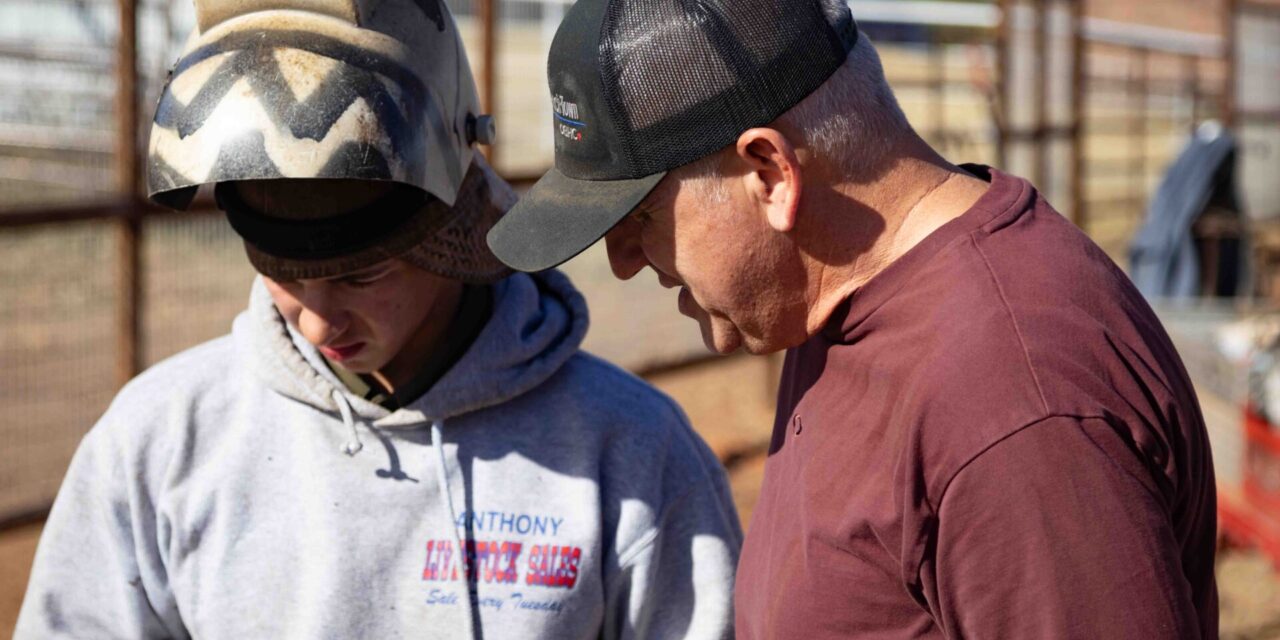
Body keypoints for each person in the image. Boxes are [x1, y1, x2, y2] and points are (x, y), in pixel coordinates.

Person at [485, 0, 1219, 637]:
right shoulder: (836, 299)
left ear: (770, 174)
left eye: (641, 215)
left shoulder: (1015, 407)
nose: (621, 262)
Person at [16, 1, 740, 638]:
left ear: (451, 238)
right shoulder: (161, 441)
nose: (318, 324)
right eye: (283, 276)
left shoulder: (626, 451)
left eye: (361, 276)